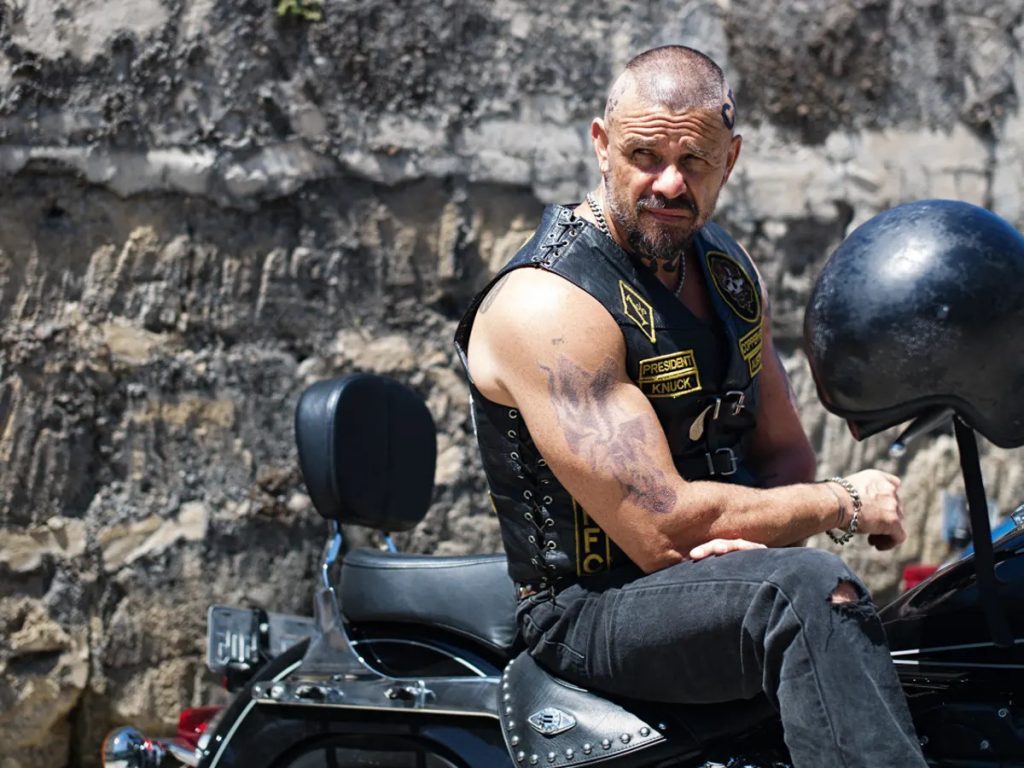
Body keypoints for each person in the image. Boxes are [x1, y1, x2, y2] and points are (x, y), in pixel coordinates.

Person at [454, 45, 927, 767]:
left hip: (719, 581)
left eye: (695, 161)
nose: (669, 183)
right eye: (644, 156)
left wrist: (753, 547)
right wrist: (844, 503)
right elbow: (662, 530)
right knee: (808, 590)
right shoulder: (550, 304)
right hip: (589, 607)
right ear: (601, 145)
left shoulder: (727, 271)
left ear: (729, 160)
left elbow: (783, 451)